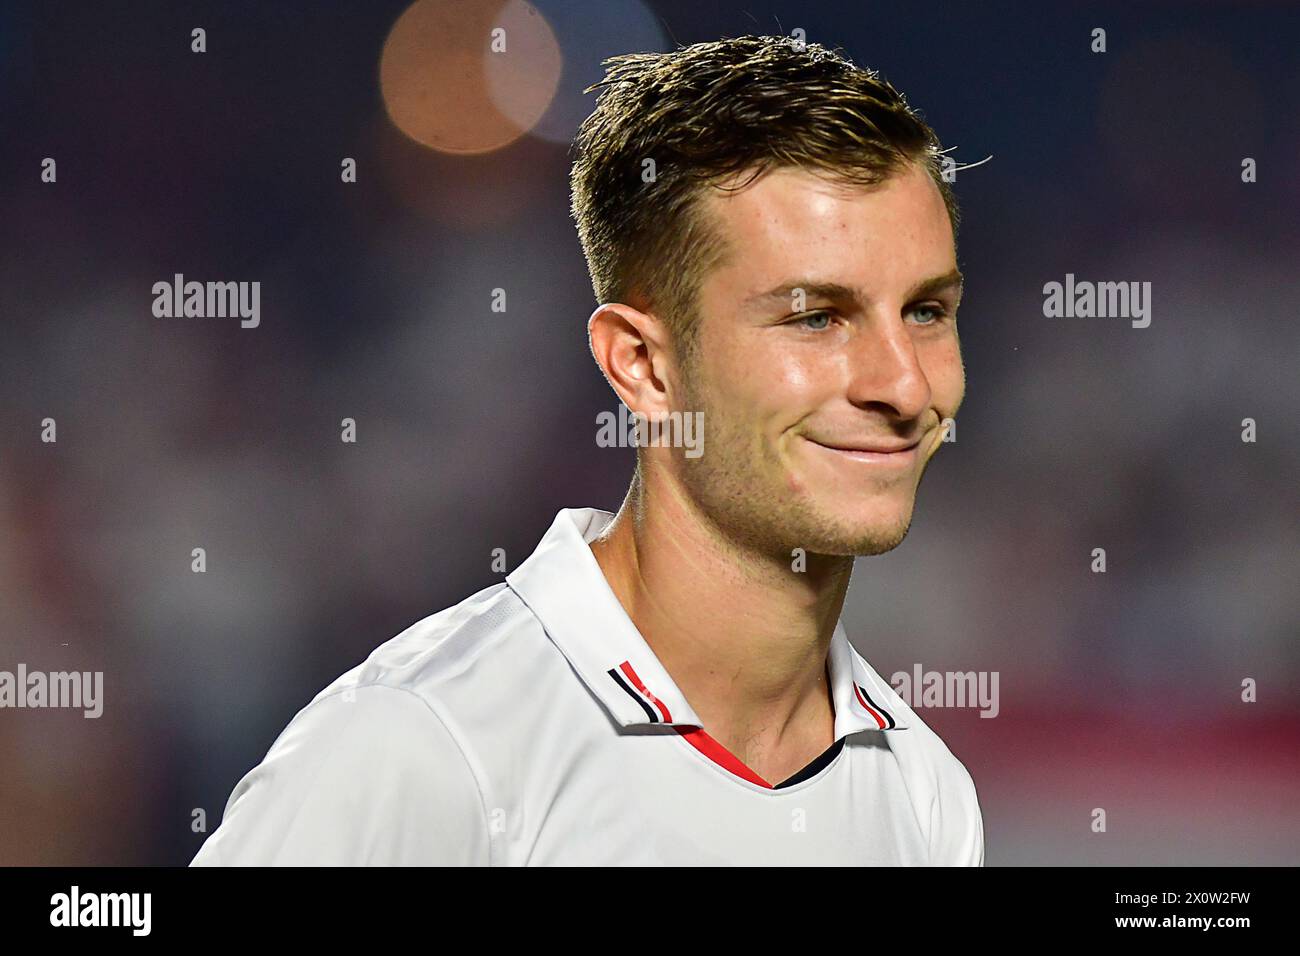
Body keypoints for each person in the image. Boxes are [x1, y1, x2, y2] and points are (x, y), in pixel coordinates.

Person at [192, 33, 983, 866]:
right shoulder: (423, 748)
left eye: (927, 312)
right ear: (641, 365)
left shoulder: (927, 795)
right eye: (816, 317)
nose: (904, 387)